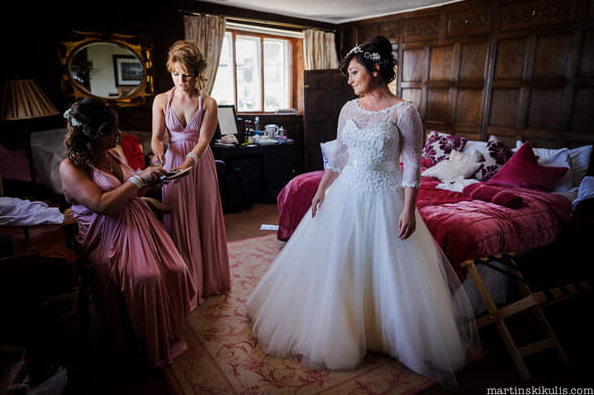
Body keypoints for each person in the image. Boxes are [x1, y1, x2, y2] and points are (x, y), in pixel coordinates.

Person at [246, 36, 480, 386]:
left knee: (386, 268)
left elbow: (413, 163)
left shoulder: (405, 111)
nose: (350, 80)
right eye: (349, 74)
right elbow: (339, 155)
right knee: (341, 263)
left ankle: (390, 334)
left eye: (355, 73)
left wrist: (408, 209)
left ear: (376, 69)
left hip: (386, 193)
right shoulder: (348, 109)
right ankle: (344, 329)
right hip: (347, 193)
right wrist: (322, 189)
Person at [59, 98, 197, 368]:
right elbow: (101, 204)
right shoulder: (70, 167)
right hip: (104, 231)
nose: (118, 135)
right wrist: (138, 179)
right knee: (146, 276)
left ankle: (164, 332)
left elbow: (132, 191)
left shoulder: (113, 152)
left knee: (177, 268)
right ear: (93, 135)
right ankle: (136, 339)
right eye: (112, 131)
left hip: (136, 221)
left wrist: (154, 179)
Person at [151, 40, 230, 304]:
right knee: (179, 219)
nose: (181, 79)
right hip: (173, 161)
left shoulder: (208, 103)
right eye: (175, 73)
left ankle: (209, 280)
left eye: (186, 74)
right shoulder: (162, 99)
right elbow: (156, 136)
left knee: (204, 217)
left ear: (197, 74)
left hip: (198, 163)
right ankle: (187, 283)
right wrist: (159, 153)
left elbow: (204, 140)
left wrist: (188, 163)